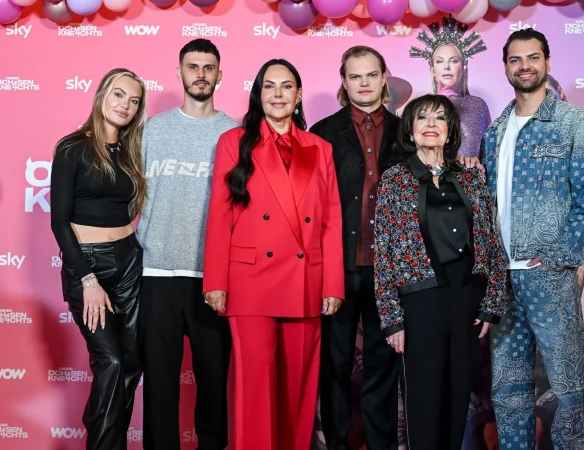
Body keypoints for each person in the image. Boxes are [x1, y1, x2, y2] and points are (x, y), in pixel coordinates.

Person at [203, 59, 345, 450]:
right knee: (256, 383)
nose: (278, 94)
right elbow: (220, 215)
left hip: (305, 280)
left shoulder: (320, 148)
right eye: (269, 86)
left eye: (286, 86)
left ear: (298, 95)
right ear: (258, 94)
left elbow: (331, 219)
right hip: (250, 280)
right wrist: (215, 281)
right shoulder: (234, 142)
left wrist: (333, 284)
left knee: (298, 387)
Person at [482, 29, 584, 450]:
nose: (524, 66)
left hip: (548, 277)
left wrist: (558, 255)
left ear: (547, 63)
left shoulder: (574, 123)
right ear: (505, 67)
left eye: (533, 58)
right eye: (515, 59)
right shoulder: (496, 131)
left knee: (569, 389)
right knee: (508, 389)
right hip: (501, 279)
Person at [374, 94, 508, 450]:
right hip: (420, 302)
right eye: (422, 118)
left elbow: (491, 242)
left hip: (466, 300)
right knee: (424, 398)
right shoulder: (394, 180)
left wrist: (492, 303)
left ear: (451, 130)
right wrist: (391, 320)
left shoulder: (471, 177)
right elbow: (384, 253)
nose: (431, 124)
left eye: (440, 118)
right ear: (410, 129)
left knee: (457, 395)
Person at [136, 39, 237, 450]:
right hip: (156, 273)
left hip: (211, 277)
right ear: (179, 72)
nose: (200, 74)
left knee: (213, 384)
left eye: (208, 67)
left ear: (219, 75)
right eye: (193, 67)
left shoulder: (235, 133)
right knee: (159, 386)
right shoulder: (152, 130)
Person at [309, 45, 401, 450]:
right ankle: (337, 443)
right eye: (355, 76)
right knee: (335, 364)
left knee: (383, 366)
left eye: (371, 75)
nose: (364, 83)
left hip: (389, 269)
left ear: (383, 78)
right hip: (336, 267)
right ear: (344, 82)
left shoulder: (406, 131)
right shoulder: (322, 133)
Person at [50, 68, 147, 450]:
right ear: (103, 94)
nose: (125, 105)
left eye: (134, 100)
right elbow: (59, 223)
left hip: (130, 263)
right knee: (111, 362)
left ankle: (105, 434)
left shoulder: (130, 151)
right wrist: (88, 280)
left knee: (132, 363)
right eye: (119, 94)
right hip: (88, 265)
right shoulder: (72, 148)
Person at [410, 17, 491, 158]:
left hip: (468, 172)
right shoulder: (418, 107)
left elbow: (487, 153)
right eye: (440, 61)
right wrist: (440, 104)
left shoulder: (477, 106)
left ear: (463, 68)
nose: (446, 67)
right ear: (432, 70)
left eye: (453, 61)